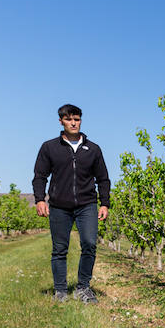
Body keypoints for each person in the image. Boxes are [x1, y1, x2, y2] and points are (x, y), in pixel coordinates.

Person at [32, 104, 111, 303]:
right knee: (59, 248)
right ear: (61, 121)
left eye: (76, 119)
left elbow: (103, 179)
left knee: (90, 244)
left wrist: (104, 203)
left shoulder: (93, 149)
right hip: (59, 206)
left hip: (87, 204)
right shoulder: (50, 147)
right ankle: (60, 291)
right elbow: (40, 176)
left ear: (80, 121)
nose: (73, 123)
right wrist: (40, 199)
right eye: (68, 119)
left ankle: (83, 288)